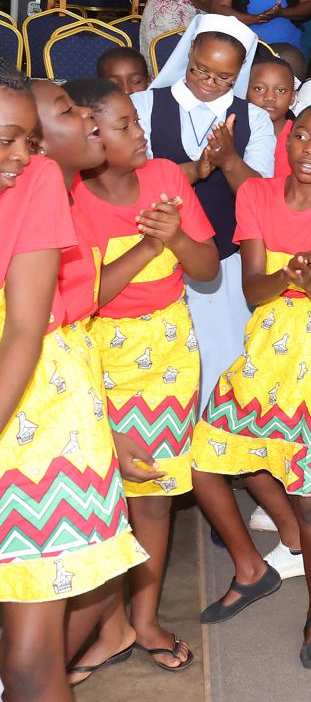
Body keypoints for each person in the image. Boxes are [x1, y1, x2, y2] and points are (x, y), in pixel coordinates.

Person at [191, 103, 311, 667]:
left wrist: (309, 281)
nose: (310, 149)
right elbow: (254, 291)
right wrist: (288, 276)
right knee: (207, 460)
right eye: (301, 136)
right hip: (269, 341)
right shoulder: (256, 196)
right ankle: (254, 567)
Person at [0, 71, 150, 698]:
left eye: (29, 138)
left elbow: (32, 333)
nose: (22, 154)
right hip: (46, 404)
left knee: (34, 650)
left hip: (32, 421)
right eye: (12, 140)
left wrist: (110, 436)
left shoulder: (35, 185)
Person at [65, 78, 218, 677]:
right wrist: (149, 247)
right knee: (103, 496)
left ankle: (143, 616)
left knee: (152, 493)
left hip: (169, 347)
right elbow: (83, 298)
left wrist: (175, 234)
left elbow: (205, 268)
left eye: (137, 120)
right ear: (90, 134)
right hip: (99, 352)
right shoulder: (72, 200)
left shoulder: (166, 180)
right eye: (124, 124)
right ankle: (111, 626)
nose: (141, 133)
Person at [129, 17, 275, 405]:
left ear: (238, 73)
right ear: (188, 54)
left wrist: (229, 160)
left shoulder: (255, 119)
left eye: (223, 77)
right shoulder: (142, 105)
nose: (209, 82)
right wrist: (196, 169)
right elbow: (133, 183)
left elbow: (260, 197)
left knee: (221, 371)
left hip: (227, 265)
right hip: (153, 260)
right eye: (201, 70)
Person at [248, 52, 296, 180]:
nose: (269, 97)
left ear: (292, 97)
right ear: (245, 91)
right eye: (259, 89)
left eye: (280, 90)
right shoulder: (236, 132)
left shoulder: (301, 138)